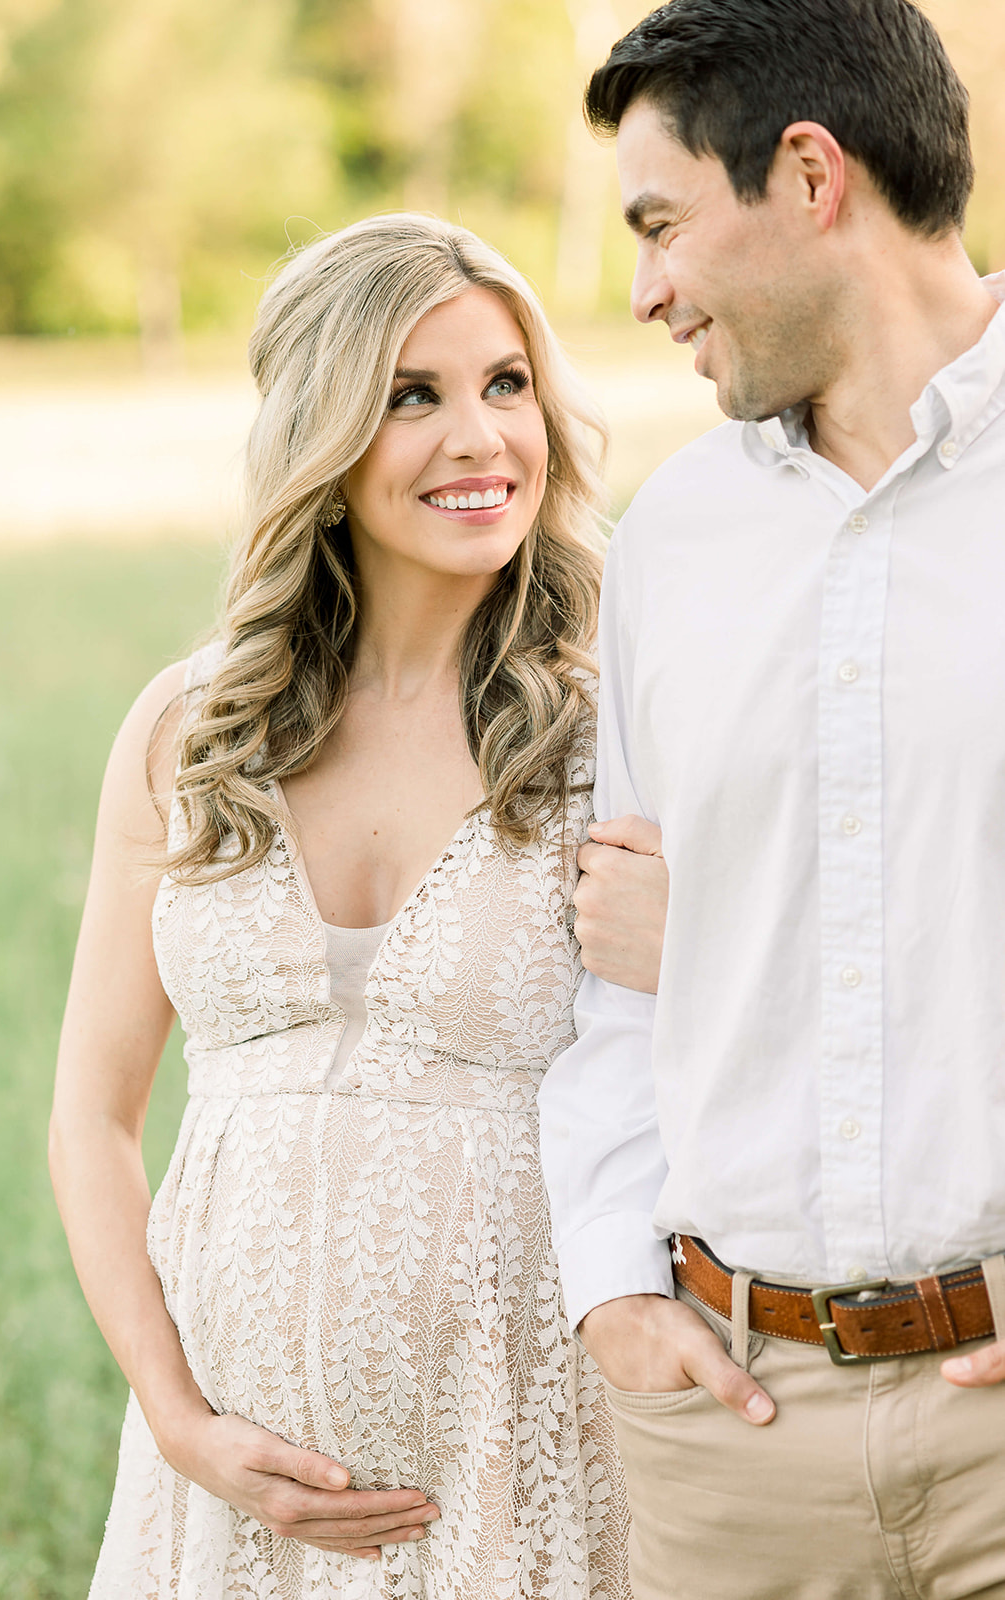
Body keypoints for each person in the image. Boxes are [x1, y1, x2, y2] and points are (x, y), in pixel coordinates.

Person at [49, 212, 668, 1600]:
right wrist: (179, 1416)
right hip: (224, 1487)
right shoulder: (191, 728)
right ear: (321, 435)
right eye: (413, 396)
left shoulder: (610, 727)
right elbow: (92, 1113)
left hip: (524, 1457)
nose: (481, 439)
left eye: (507, 384)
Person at [539, 2, 1005, 1596]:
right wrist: (611, 1283)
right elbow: (619, 967)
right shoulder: (675, 538)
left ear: (811, 175)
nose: (644, 288)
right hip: (733, 1443)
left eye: (663, 223)